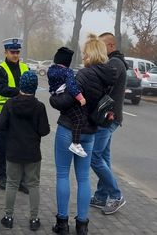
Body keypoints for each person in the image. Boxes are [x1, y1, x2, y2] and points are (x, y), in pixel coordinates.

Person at [50, 34, 117, 235]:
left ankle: (62, 223)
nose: (84, 56)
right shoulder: (109, 76)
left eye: (86, 53)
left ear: (91, 53)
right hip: (90, 132)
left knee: (63, 174)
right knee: (83, 178)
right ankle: (82, 225)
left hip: (68, 129)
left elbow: (64, 102)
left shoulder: (84, 75)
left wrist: (53, 99)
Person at [0, 71, 50, 231]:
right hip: (33, 153)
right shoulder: (39, 107)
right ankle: (34, 219)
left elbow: (0, 125)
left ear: (20, 85)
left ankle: (8, 217)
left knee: (12, 184)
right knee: (33, 185)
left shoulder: (10, 104)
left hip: (13, 151)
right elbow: (44, 130)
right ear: (35, 87)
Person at [90, 32, 128, 215]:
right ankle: (101, 196)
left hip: (108, 118)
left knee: (94, 158)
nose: (100, 50)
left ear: (111, 46)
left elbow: (103, 82)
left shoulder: (115, 64)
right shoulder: (114, 62)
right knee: (103, 158)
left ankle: (116, 194)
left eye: (102, 46)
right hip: (109, 117)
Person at [0, 38, 29, 193]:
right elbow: (1, 89)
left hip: (22, 113)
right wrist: (19, 92)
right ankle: (3, 177)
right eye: (12, 52)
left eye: (17, 52)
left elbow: (30, 85)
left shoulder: (25, 67)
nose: (15, 55)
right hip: (4, 113)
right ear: (6, 52)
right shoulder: (0, 70)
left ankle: (19, 180)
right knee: (3, 146)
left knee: (20, 146)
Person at [48, 47, 87, 157]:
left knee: (73, 116)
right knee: (78, 118)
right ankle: (76, 143)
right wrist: (81, 98)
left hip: (57, 97)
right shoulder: (67, 71)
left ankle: (76, 143)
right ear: (67, 61)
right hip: (67, 97)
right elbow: (71, 87)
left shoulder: (51, 70)